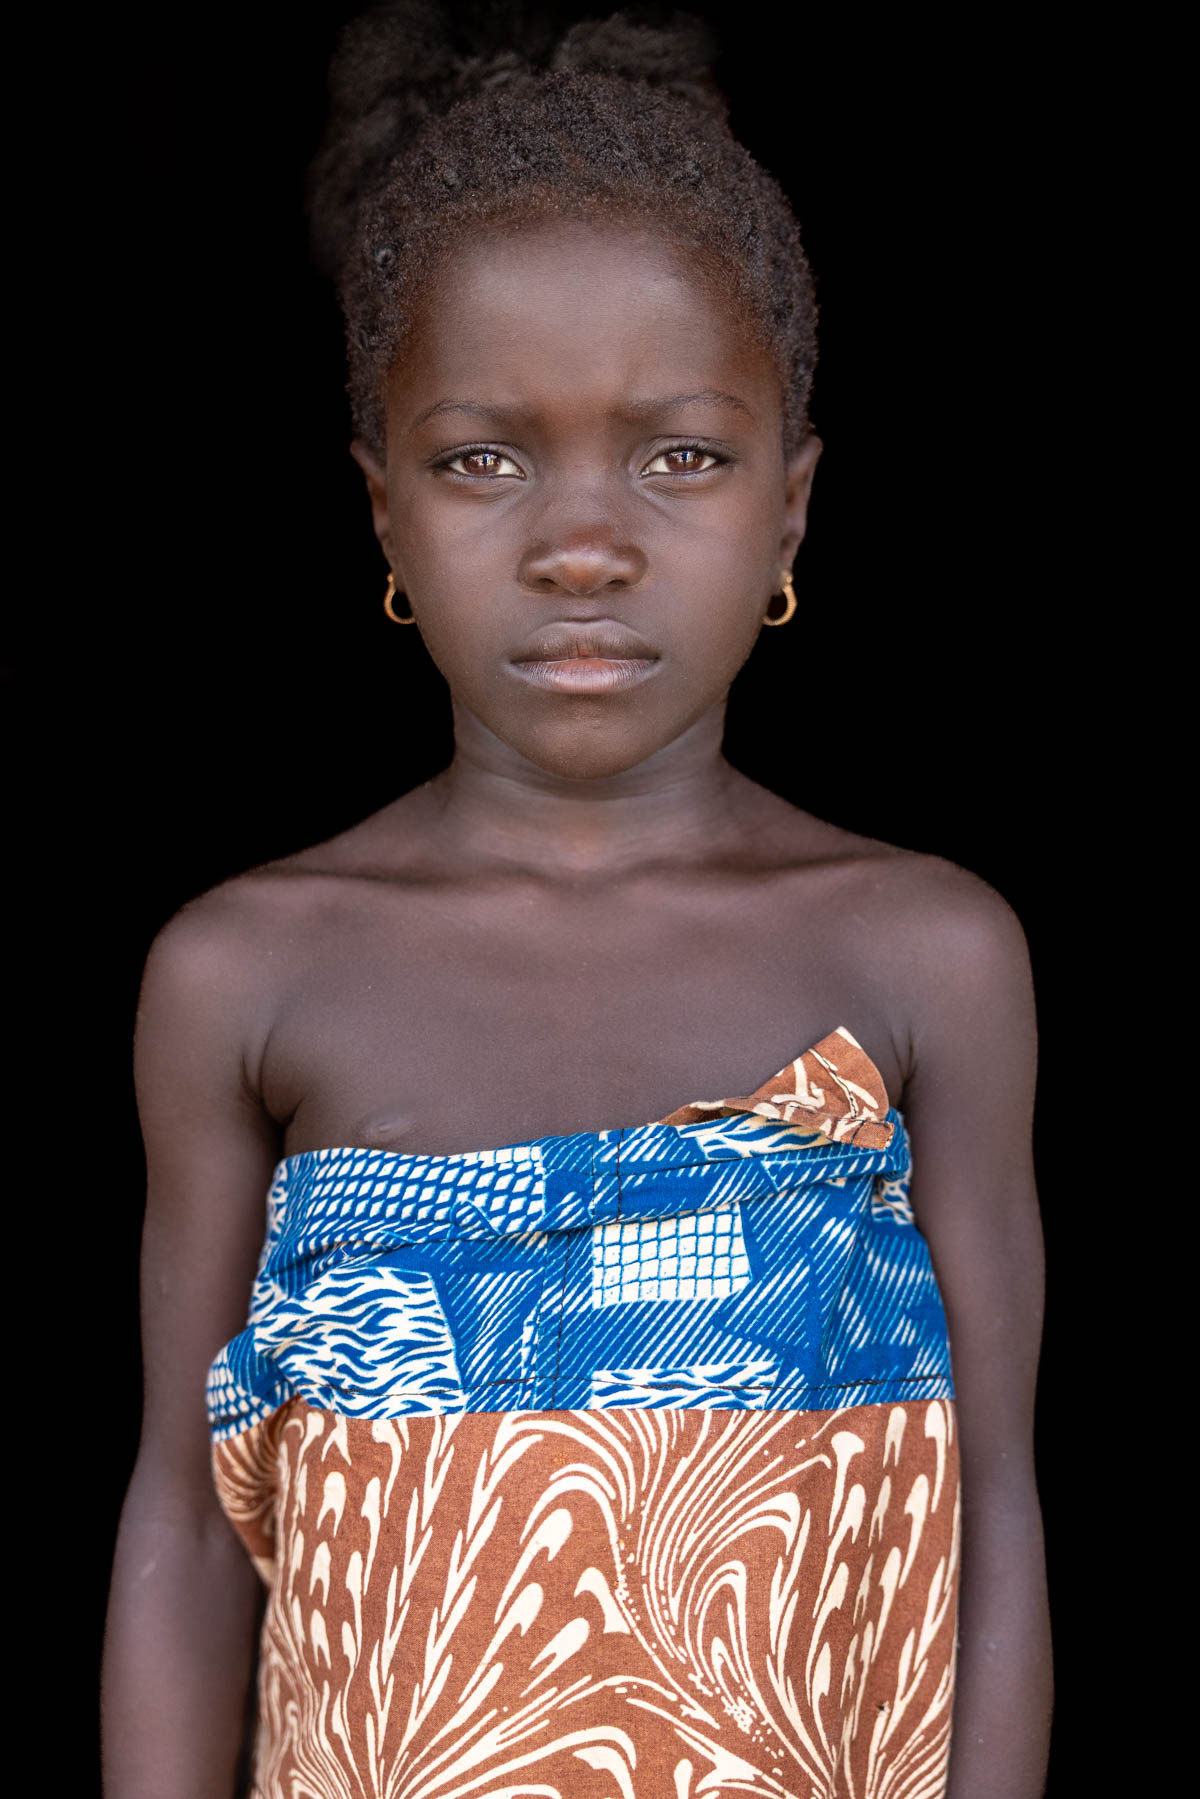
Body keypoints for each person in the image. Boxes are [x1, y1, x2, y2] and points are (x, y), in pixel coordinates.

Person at [101, 6, 1051, 1794]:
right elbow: (186, 1514)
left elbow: (996, 1516)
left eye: (681, 453)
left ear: (793, 510)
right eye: (484, 457)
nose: (583, 540)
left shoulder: (926, 955)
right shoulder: (247, 973)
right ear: (383, 513)